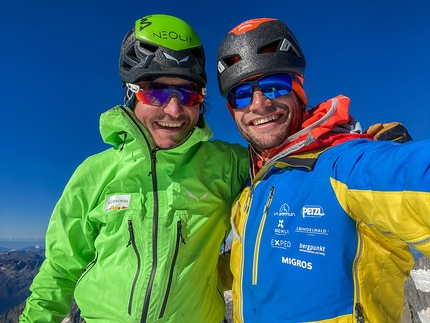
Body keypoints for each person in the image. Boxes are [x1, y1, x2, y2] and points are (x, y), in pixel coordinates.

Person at [20, 14, 249, 323]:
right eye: (155, 91)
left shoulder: (227, 163)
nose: (173, 109)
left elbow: (285, 161)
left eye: (188, 93)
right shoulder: (94, 173)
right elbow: (61, 269)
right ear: (131, 95)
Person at [216, 17, 430, 323]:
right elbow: (236, 265)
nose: (259, 104)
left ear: (300, 92)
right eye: (241, 94)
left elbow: (410, 175)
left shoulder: (343, 165)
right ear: (232, 110)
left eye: (274, 86)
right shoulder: (246, 198)